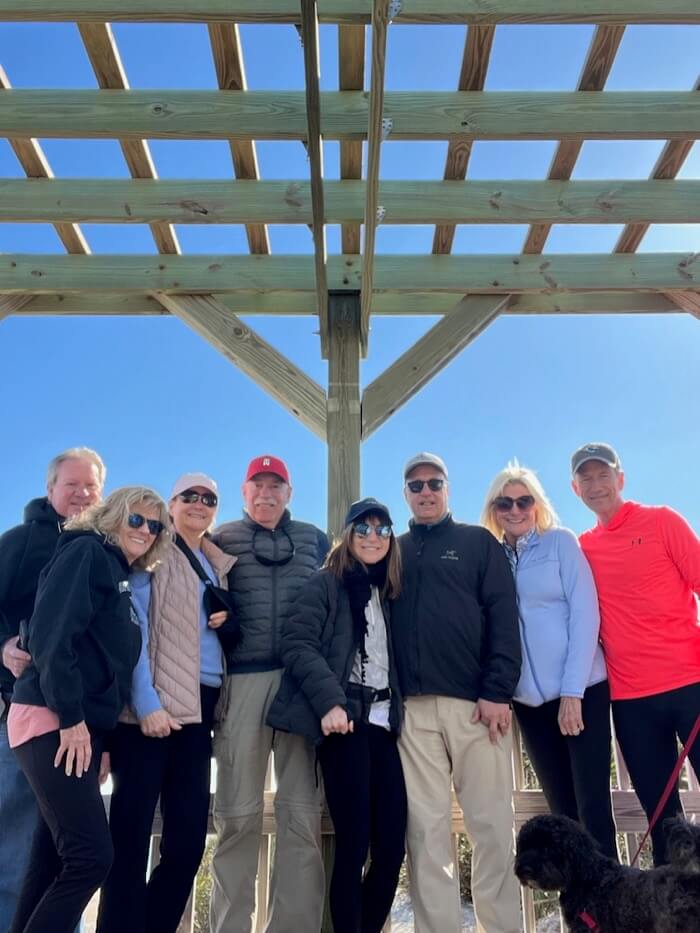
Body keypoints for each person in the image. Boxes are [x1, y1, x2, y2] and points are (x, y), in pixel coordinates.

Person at [7, 486, 170, 933]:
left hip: (74, 725)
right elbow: (51, 637)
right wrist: (73, 720)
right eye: (136, 519)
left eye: (154, 526)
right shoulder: (86, 552)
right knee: (91, 856)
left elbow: (105, 664)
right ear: (113, 515)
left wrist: (96, 736)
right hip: (50, 716)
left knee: (51, 858)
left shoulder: (116, 574)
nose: (145, 530)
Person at [97, 473, 236, 933]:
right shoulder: (154, 552)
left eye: (209, 497)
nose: (200, 503)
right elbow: (131, 633)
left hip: (198, 712)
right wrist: (146, 703)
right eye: (189, 496)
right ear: (172, 505)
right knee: (130, 839)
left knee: (188, 840)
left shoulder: (216, 562)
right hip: (148, 716)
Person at [391, 452, 522, 933]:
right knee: (425, 833)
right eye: (416, 485)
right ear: (405, 493)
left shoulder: (477, 543)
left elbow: (504, 620)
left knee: (491, 828)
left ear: (448, 489)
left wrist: (497, 690)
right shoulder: (392, 549)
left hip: (477, 707)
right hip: (412, 714)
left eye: (434, 483)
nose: (425, 492)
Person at [268, 497, 407, 933]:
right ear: (347, 535)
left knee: (391, 847)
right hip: (346, 724)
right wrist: (331, 702)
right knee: (353, 845)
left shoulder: (390, 591)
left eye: (382, 529)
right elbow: (297, 643)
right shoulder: (326, 583)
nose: (372, 537)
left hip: (384, 727)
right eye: (362, 528)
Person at [209, 455, 329, 933]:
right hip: (241, 683)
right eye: (257, 486)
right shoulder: (221, 542)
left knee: (300, 814)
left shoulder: (315, 540)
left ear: (289, 493)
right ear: (243, 493)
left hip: (301, 684)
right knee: (238, 815)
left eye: (275, 485)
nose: (266, 494)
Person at [571, 442, 700, 865]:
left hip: (690, 684)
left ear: (620, 479)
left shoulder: (663, 522)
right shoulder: (583, 548)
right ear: (576, 489)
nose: (596, 485)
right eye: (586, 478)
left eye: (603, 474)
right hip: (632, 703)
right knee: (663, 821)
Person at [481, 463, 617, 860]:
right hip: (530, 705)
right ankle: (580, 915)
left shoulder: (561, 543)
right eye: (505, 502)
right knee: (563, 813)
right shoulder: (493, 558)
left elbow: (585, 614)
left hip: (581, 692)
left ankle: (612, 908)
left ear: (537, 505)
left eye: (524, 500)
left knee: (592, 807)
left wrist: (573, 692)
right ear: (494, 509)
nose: (515, 509)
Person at [0, 447, 106, 931]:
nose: (82, 493)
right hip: (25, 716)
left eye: (91, 485)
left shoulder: (105, 548)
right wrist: (2, 646)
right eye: (72, 484)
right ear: (50, 490)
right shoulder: (21, 542)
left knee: (59, 848)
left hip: (79, 724)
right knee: (16, 839)